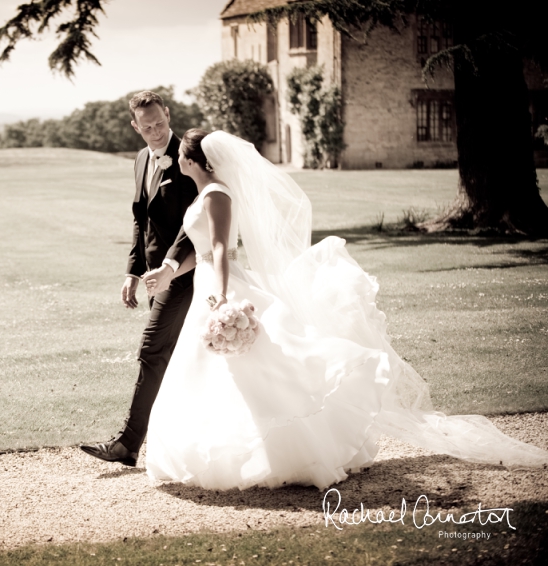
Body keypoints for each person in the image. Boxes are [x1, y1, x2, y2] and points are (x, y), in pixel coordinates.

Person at [141, 129, 548, 490]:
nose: (177, 157)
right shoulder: (204, 194)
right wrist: (170, 273)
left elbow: (219, 248)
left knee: (262, 365)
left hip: (219, 288)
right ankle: (232, 449)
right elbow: (197, 248)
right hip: (205, 285)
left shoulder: (217, 195)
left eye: (182, 154)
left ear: (194, 160)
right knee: (223, 371)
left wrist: (224, 295)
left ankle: (293, 445)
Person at [80, 91, 199, 467]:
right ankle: (190, 439)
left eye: (160, 123)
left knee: (152, 352)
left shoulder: (189, 158)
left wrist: (169, 267)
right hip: (153, 277)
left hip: (184, 274)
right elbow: (140, 219)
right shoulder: (141, 158)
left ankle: (127, 444)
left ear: (168, 114)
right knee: (182, 358)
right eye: (146, 127)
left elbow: (193, 222)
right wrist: (132, 272)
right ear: (135, 126)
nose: (155, 132)